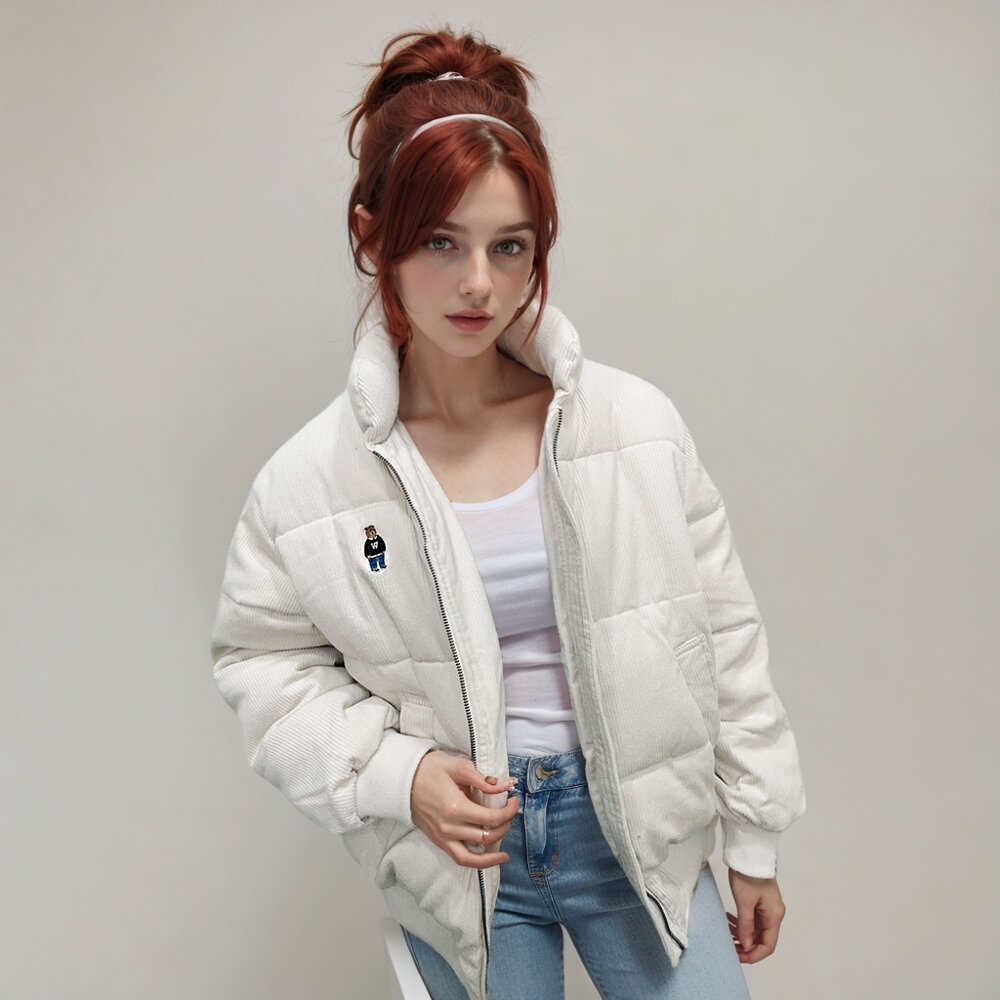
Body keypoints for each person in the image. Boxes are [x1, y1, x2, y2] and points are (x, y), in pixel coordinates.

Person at [212, 28, 805, 1000]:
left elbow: (723, 634)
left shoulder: (634, 428)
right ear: (372, 236)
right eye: (439, 242)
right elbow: (261, 667)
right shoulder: (307, 484)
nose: (478, 283)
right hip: (464, 865)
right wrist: (399, 774)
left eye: (509, 246)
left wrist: (752, 838)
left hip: (633, 834)